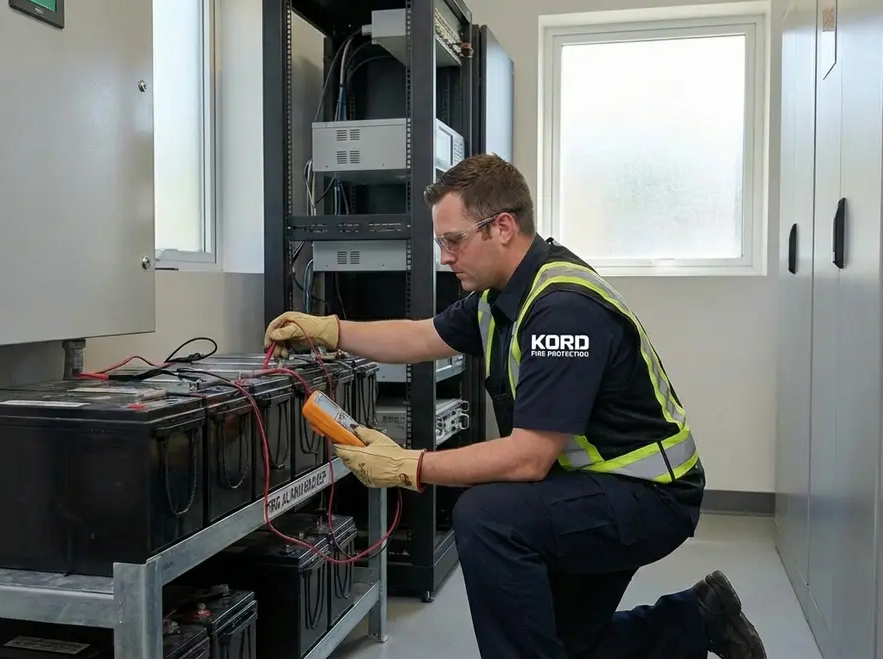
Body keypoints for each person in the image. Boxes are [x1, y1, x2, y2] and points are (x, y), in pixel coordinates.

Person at [263, 153, 766, 659]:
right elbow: (419, 336)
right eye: (442, 243)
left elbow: (529, 458)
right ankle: (700, 618)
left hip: (651, 496)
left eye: (454, 241)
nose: (445, 257)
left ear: (502, 227)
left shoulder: (561, 309)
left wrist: (408, 465)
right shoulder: (499, 299)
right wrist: (328, 331)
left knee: (487, 515)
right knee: (560, 642)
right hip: (594, 485)